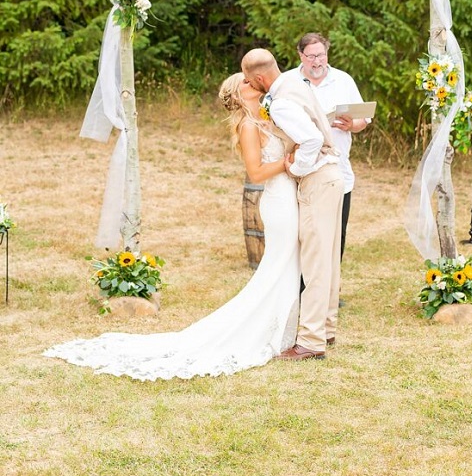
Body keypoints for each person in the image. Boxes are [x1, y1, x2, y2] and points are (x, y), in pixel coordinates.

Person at [43, 73, 300, 381]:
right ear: (239, 94)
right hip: (278, 201)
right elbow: (256, 173)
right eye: (244, 82)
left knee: (287, 264)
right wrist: (286, 164)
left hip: (289, 196)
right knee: (279, 265)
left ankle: (288, 327)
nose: (252, 83)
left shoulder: (266, 118)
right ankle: (270, 331)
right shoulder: (247, 127)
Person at [241, 47, 344, 361]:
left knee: (314, 261)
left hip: (318, 179)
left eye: (248, 80)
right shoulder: (293, 82)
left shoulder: (282, 102)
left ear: (259, 77)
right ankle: (326, 327)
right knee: (327, 258)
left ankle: (311, 342)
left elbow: (311, 138)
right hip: (332, 177)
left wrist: (296, 168)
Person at [285, 33, 369, 261]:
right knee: (303, 233)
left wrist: (352, 125)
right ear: (300, 56)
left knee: (336, 234)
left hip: (339, 171)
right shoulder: (288, 82)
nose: (317, 61)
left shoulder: (343, 80)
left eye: (321, 55)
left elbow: (363, 120)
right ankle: (301, 289)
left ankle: (331, 291)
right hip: (301, 172)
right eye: (311, 56)